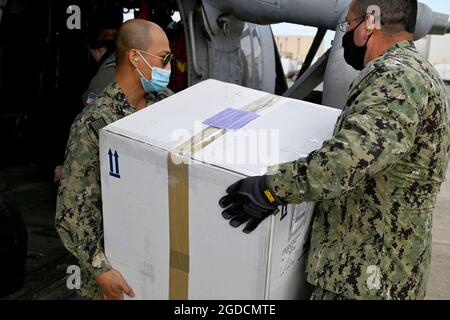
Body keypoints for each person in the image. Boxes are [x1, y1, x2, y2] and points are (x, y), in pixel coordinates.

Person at [219, 0, 450, 300]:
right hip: (380, 271)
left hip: (365, 279)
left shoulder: (396, 76)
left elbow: (349, 158)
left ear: (369, 24)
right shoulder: (417, 72)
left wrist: (271, 188)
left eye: (347, 26)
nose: (344, 36)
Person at [56, 19, 174, 300]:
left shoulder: (166, 103)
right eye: (165, 57)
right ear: (136, 57)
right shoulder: (95, 122)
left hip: (159, 256)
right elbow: (73, 209)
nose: (170, 65)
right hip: (117, 272)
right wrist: (101, 270)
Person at [54, 13, 122, 184]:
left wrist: (68, 164)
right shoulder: (124, 64)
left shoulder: (104, 76)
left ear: (97, 49)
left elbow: (91, 120)